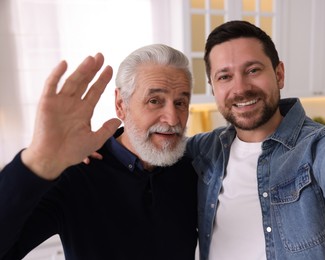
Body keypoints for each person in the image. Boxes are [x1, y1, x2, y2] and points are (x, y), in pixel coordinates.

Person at [185, 4, 325, 260]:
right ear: (213, 88)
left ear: (279, 74)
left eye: (253, 70)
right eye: (224, 76)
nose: (240, 88)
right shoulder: (204, 150)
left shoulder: (314, 148)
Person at [0, 44, 198, 260]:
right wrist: (38, 160)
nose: (172, 119)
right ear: (121, 105)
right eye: (154, 101)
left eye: (180, 102)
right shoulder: (76, 175)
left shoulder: (193, 169)